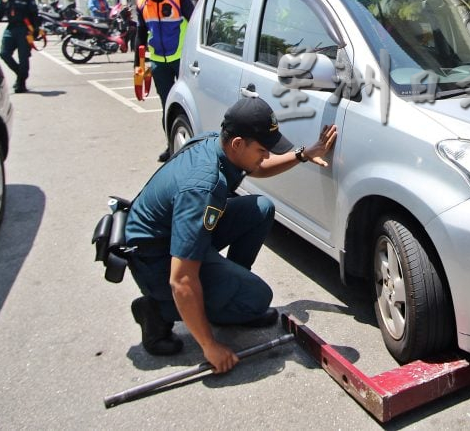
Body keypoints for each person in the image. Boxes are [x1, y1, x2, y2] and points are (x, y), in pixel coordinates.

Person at [124, 97, 338, 371]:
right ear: (238, 143)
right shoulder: (203, 187)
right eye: (263, 149)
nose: (267, 155)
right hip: (155, 259)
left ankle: (229, 300)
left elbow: (259, 167)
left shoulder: (218, 143)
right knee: (258, 297)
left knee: (260, 208)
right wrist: (209, 346)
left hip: (173, 234)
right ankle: (156, 310)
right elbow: (182, 279)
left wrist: (303, 154)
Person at [132, 0, 195, 162]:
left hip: (182, 60)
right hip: (158, 62)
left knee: (191, 104)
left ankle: (195, 146)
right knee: (168, 107)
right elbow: (140, 34)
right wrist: (138, 65)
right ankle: (171, 146)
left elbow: (196, 23)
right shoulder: (141, 2)